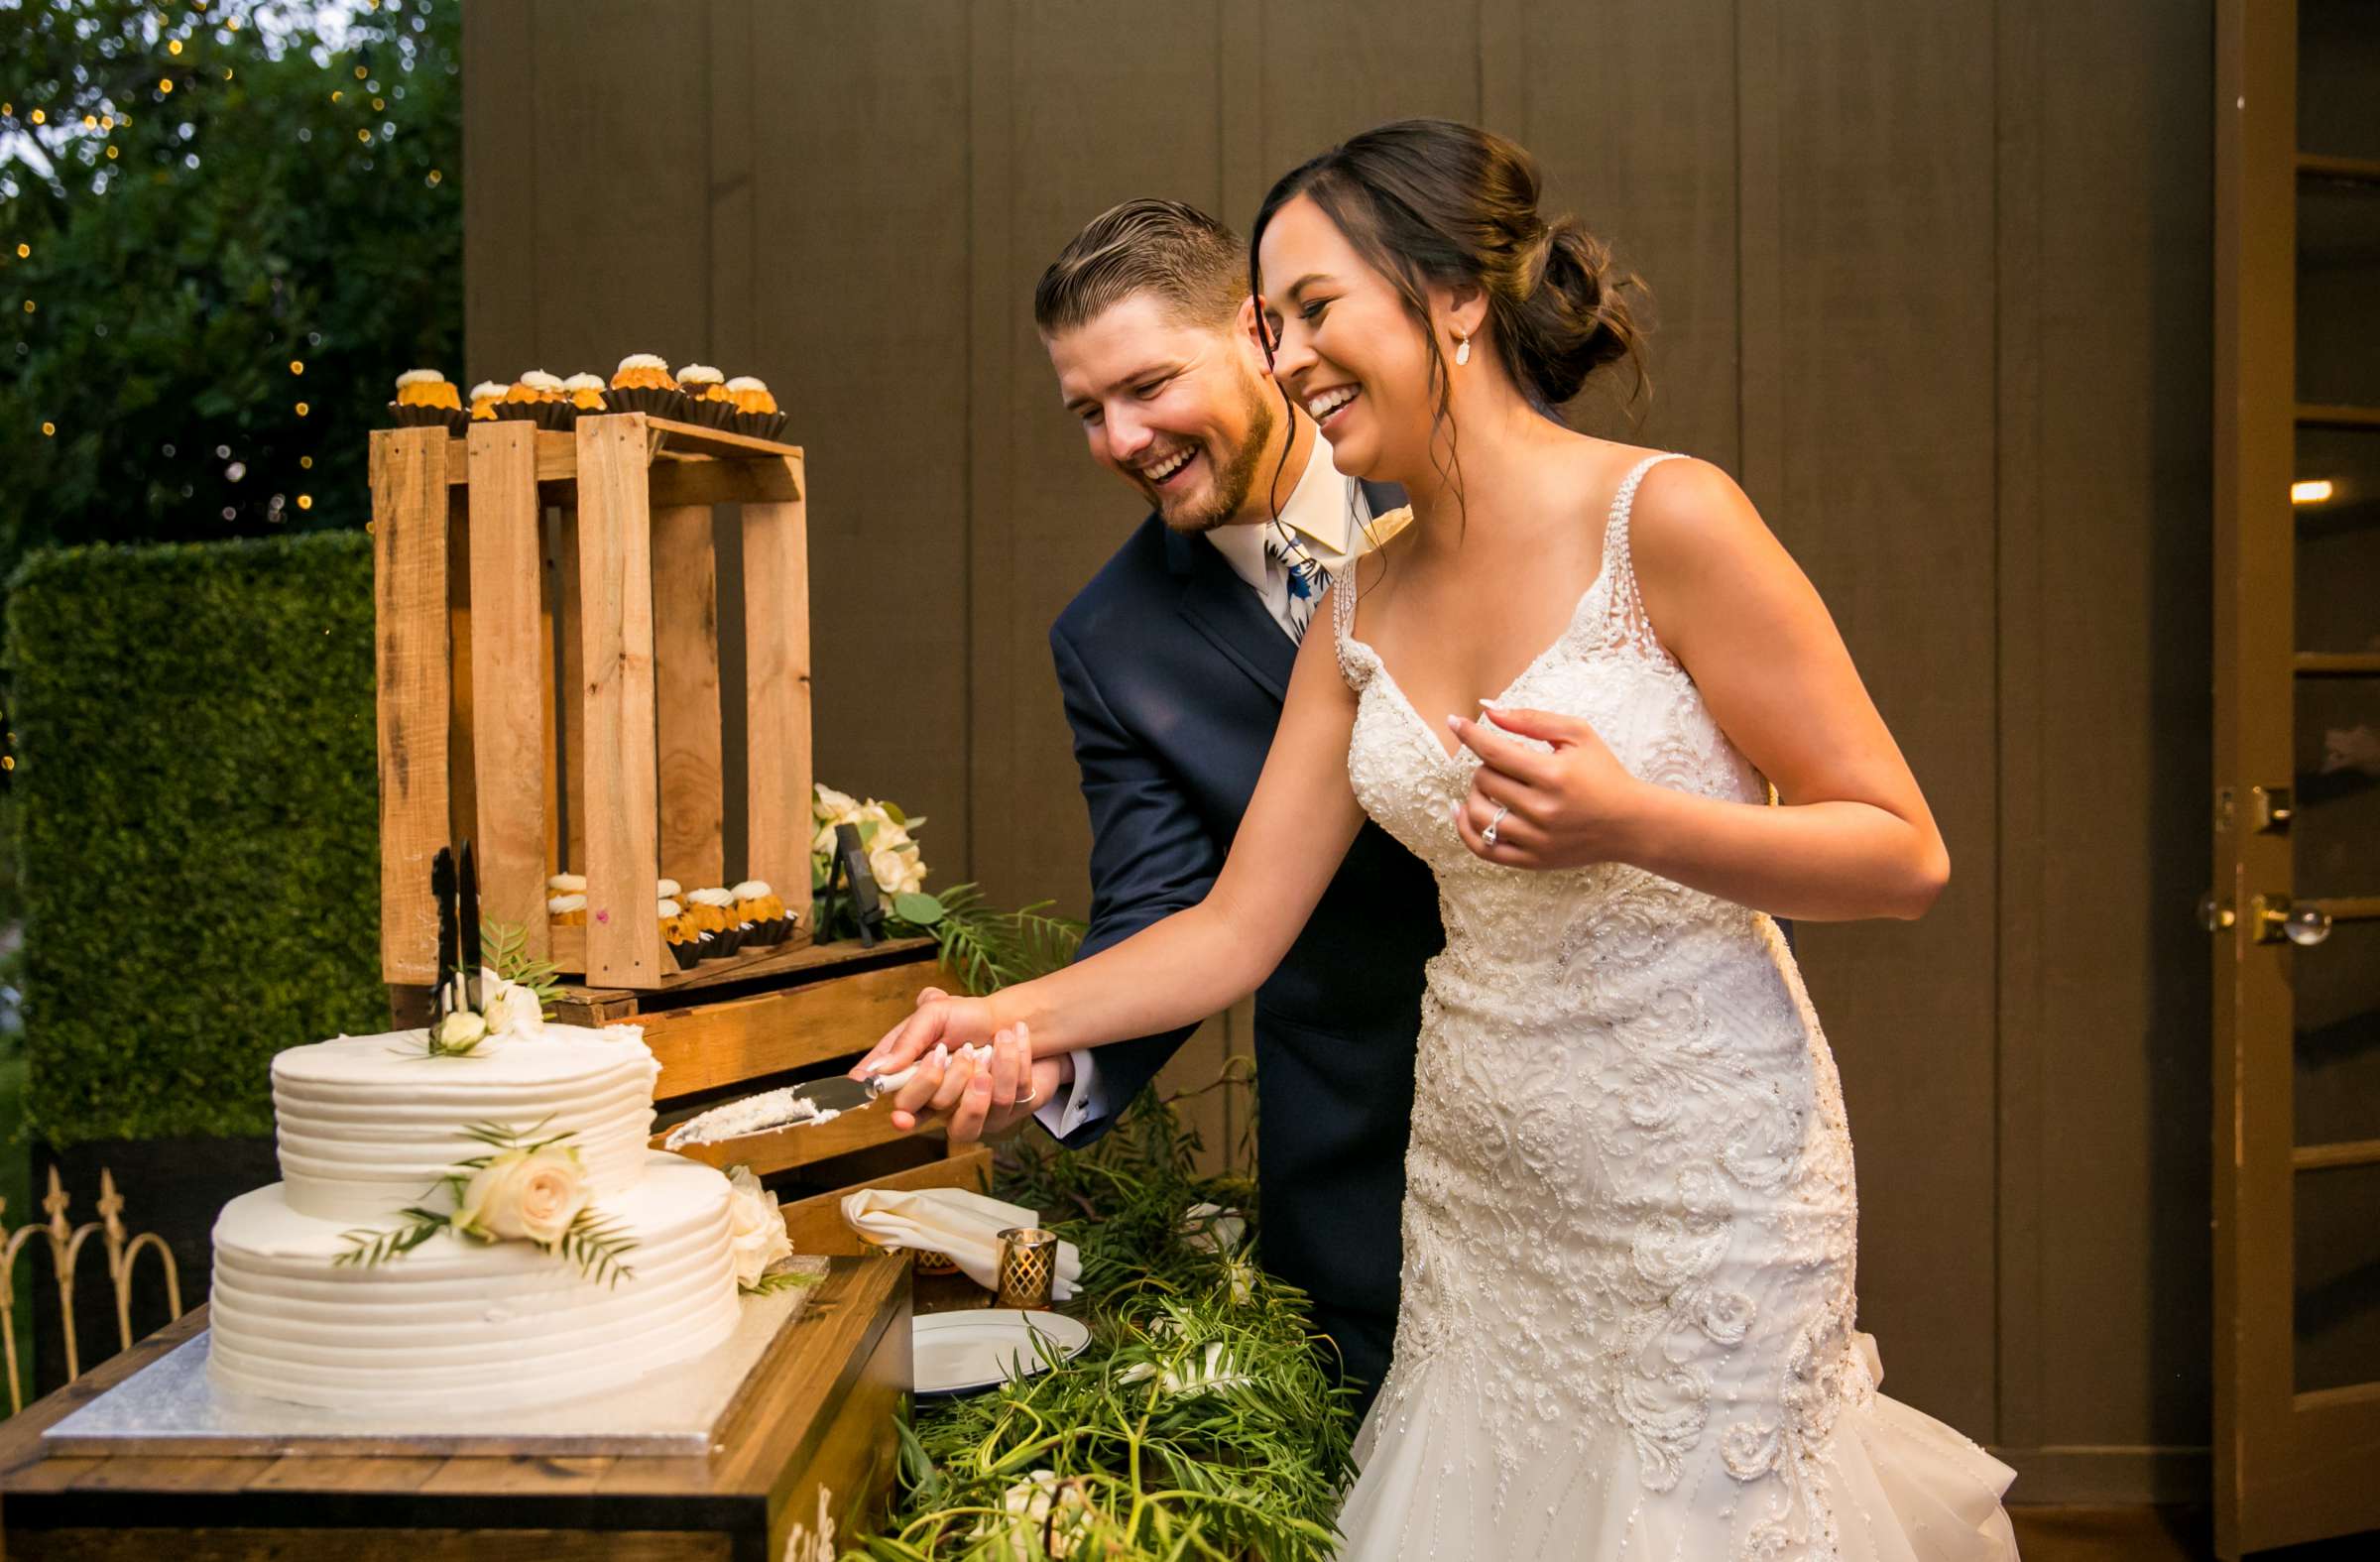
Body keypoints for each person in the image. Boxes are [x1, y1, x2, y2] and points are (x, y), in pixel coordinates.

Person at [867, 121, 2018, 1559]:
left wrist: (1636, 821)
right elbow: (1230, 924)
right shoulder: (1359, 603)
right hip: (1476, 1184)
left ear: (1453, 297)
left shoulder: (1671, 514)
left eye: (1310, 313)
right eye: (1274, 325)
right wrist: (997, 1012)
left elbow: (1904, 851)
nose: (1284, 357)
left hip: (1695, 1163)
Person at [917, 197, 1441, 1412]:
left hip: (1591, 1104)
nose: (1120, 438)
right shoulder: (1111, 641)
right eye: (1087, 412)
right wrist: (1043, 1060)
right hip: (1356, 1166)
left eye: (1148, 385)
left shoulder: (1458, 477)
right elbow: (1161, 905)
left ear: (1262, 335)